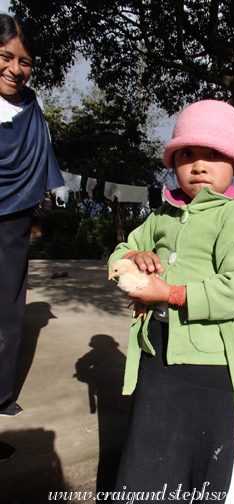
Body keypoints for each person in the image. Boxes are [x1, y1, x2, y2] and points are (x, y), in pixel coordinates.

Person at [108, 100, 234, 502]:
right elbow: (118, 256)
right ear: (173, 161)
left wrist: (169, 293)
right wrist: (134, 259)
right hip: (157, 351)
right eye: (187, 154)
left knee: (201, 458)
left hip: (210, 365)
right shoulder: (161, 215)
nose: (199, 165)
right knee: (152, 453)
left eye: (214, 154)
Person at [0, 13, 64, 462]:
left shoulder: (31, 106)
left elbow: (40, 152)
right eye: (5, 56)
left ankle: (0, 393)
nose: (15, 69)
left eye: (25, 61)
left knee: (8, 304)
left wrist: (45, 197)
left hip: (15, 216)